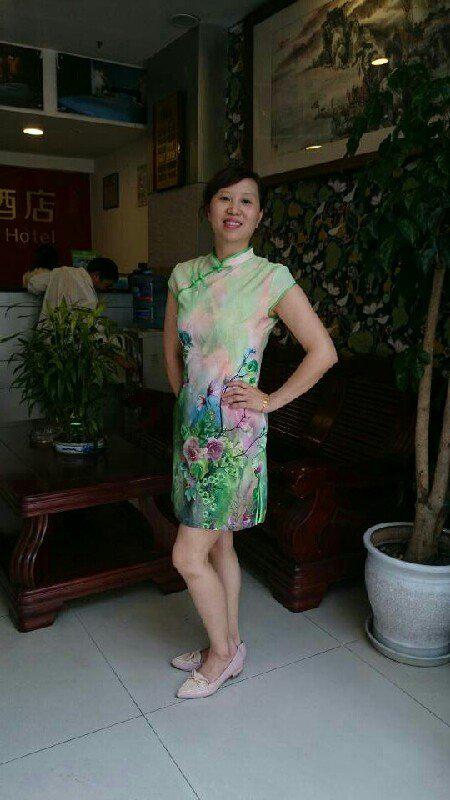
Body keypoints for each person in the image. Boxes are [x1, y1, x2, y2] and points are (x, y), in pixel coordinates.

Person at [163, 164, 338, 700]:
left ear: (259, 216)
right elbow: (172, 351)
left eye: (246, 201)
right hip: (192, 435)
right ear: (208, 209)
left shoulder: (270, 278)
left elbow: (323, 352)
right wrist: (189, 406)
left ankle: (220, 656)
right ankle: (229, 642)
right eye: (224, 198)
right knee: (219, 545)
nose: (234, 209)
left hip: (234, 439)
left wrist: (269, 400)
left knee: (186, 556)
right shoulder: (183, 276)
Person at [25, 248, 119, 321]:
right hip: (66, 339)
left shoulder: (63, 272)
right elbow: (87, 330)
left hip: (45, 334)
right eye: (107, 285)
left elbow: (34, 284)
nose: (106, 289)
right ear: (96, 276)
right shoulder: (89, 299)